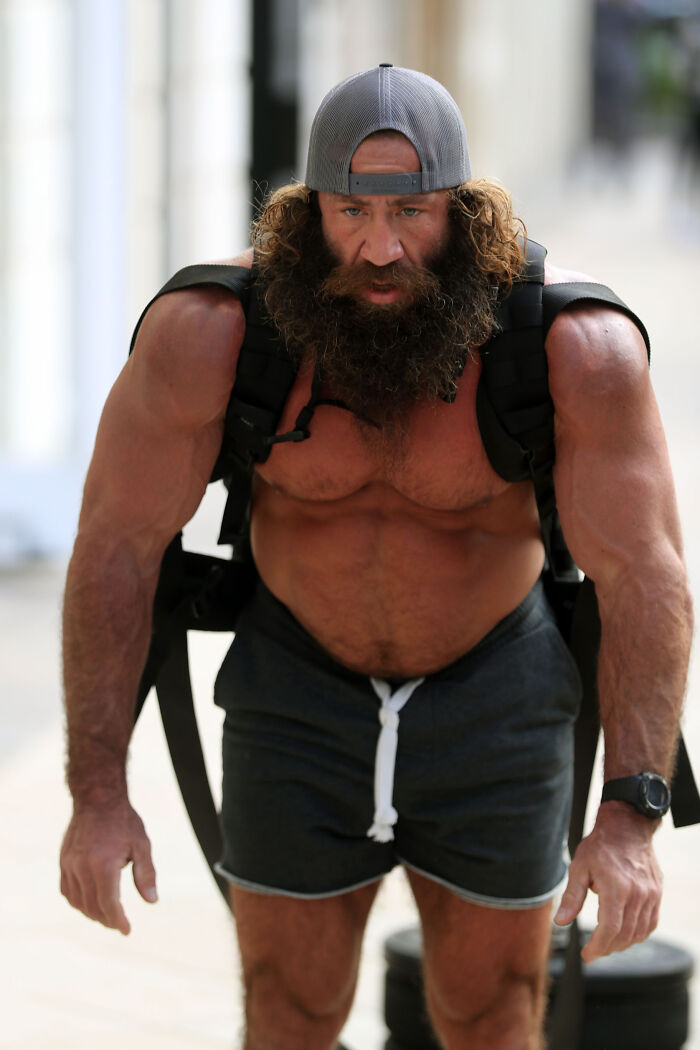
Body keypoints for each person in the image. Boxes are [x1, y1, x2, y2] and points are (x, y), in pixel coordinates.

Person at [60, 65, 692, 1050]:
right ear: (308, 213)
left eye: (414, 211)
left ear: (468, 210)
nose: (381, 246)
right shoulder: (211, 334)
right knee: (288, 1014)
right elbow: (115, 551)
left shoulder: (576, 349)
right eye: (350, 209)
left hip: (500, 697)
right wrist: (97, 793)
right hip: (296, 696)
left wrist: (630, 814)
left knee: (491, 1019)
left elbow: (645, 574)